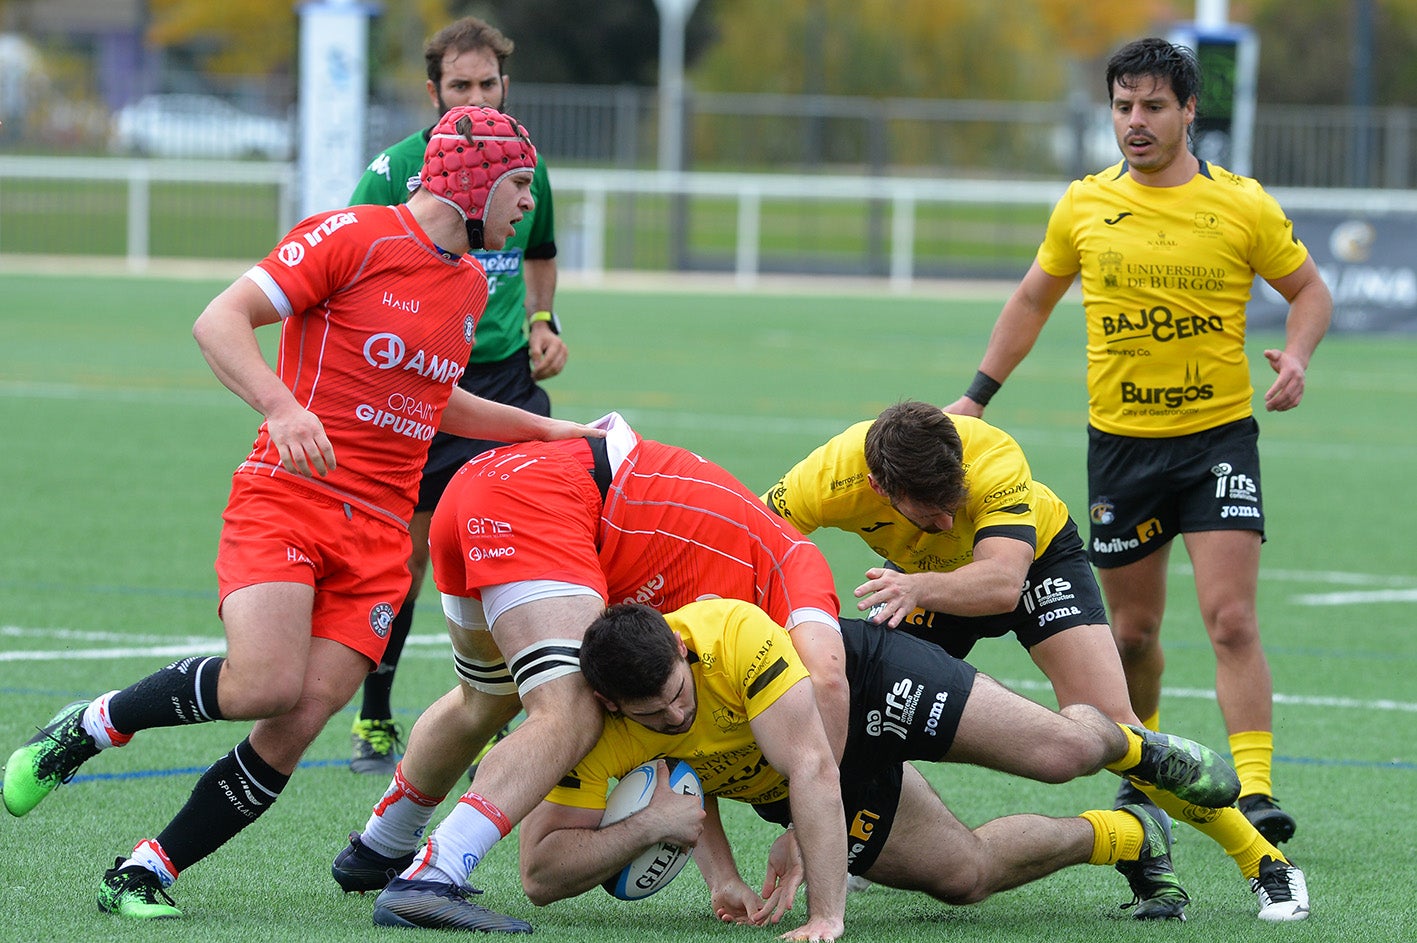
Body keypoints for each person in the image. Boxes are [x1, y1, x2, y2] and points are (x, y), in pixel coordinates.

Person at [0, 105, 602, 921]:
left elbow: (433, 400)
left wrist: (550, 428)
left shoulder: (466, 285)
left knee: (298, 720)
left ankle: (141, 871)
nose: (530, 203)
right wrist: (283, 408)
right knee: (263, 683)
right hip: (290, 496)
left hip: (382, 537)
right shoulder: (350, 235)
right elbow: (219, 320)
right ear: (476, 181)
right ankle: (90, 727)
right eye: (521, 185)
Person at [943, 37, 1332, 850]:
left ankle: (1254, 791)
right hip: (1120, 447)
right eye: (1122, 106)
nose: (1135, 122)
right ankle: (1146, 763)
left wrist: (1296, 355)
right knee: (1131, 634)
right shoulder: (1083, 204)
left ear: (1188, 111)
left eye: (1153, 106)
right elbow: (1030, 299)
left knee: (1228, 619)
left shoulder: (1241, 204)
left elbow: (1308, 290)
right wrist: (975, 396)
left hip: (1217, 440)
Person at [764, 399, 1308, 920]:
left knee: (1117, 729)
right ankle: (1133, 837)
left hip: (1032, 566)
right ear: (880, 488)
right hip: (917, 582)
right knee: (875, 707)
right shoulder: (829, 474)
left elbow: (1002, 583)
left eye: (955, 506)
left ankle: (1263, 860)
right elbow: (753, 542)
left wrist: (919, 586)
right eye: (932, 515)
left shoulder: (993, 456)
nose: (950, 524)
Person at [329, 413, 851, 932]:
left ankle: (383, 846)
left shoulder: (729, 558)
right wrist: (806, 827)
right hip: (541, 499)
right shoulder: (787, 572)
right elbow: (827, 676)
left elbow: (681, 735)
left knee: (484, 698)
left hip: (483, 486)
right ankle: (434, 874)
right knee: (573, 707)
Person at [518, 600, 1301, 939]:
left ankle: (1133, 746)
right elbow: (541, 874)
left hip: (863, 683)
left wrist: (827, 913)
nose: (673, 717)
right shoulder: (606, 729)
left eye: (677, 696)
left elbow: (812, 773)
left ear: (683, 652)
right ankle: (1129, 833)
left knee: (1058, 752)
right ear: (608, 702)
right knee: (964, 876)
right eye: (651, 716)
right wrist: (693, 850)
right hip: (802, 775)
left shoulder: (728, 635)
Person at [345, 15, 564, 776]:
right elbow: (357, 262)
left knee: (521, 540)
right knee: (405, 555)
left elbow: (539, 252)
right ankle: (375, 715)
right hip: (421, 387)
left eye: (488, 83)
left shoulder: (521, 162)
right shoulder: (393, 170)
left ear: (506, 85)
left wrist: (543, 321)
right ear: (432, 90)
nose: (476, 95)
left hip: (506, 380)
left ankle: (529, 712)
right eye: (460, 85)